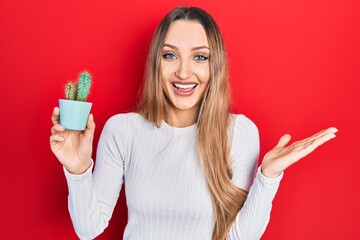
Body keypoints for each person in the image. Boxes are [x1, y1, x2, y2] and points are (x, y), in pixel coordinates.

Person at [49, 6, 337, 240]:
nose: (184, 72)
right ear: (156, 63)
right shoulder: (123, 130)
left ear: (215, 66)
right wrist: (77, 170)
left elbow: (239, 238)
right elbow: (88, 230)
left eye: (200, 57)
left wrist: (268, 176)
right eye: (170, 55)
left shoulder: (238, 132)